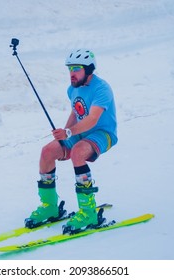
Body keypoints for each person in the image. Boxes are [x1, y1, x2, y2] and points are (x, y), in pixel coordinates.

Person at [25, 48, 118, 233]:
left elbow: (92, 119)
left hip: (103, 133)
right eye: (69, 69)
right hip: (81, 132)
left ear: (89, 69)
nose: (71, 74)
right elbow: (76, 113)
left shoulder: (102, 89)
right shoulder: (72, 89)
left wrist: (69, 132)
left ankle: (88, 211)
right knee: (47, 152)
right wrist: (64, 133)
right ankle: (50, 207)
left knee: (78, 152)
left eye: (76, 69)